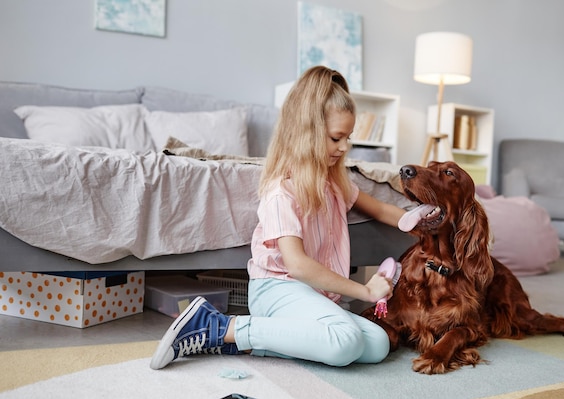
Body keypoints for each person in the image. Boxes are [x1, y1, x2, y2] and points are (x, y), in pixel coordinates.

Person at [150, 66, 406, 370]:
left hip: (312, 296)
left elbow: (380, 209)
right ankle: (221, 326)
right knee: (345, 341)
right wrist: (365, 291)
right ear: (306, 133)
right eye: (337, 138)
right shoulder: (282, 192)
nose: (344, 147)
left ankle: (241, 344)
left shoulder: (334, 184)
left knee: (377, 344)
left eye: (348, 138)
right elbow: (296, 265)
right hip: (277, 289)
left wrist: (424, 221)